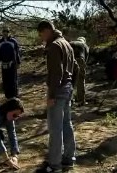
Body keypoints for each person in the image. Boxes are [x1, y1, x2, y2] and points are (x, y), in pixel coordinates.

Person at [36, 21, 76, 173]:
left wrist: (51, 94)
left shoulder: (54, 46)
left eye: (41, 34)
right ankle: (68, 158)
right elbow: (76, 67)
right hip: (68, 88)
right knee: (66, 124)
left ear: (47, 30)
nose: (41, 38)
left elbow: (56, 73)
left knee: (55, 128)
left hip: (58, 90)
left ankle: (54, 164)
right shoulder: (66, 43)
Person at [0, 27, 21, 99]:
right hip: (3, 65)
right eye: (4, 31)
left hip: (12, 64)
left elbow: (17, 53)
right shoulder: (0, 42)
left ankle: (14, 96)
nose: (5, 33)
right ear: (2, 32)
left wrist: (18, 62)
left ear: (9, 32)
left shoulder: (13, 41)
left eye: (7, 31)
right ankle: (7, 97)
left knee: (13, 81)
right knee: (5, 81)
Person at [70, 37, 89, 106]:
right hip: (80, 60)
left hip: (70, 61)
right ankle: (81, 100)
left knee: (70, 81)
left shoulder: (71, 43)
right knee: (80, 81)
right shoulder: (85, 45)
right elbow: (86, 58)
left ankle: (70, 100)